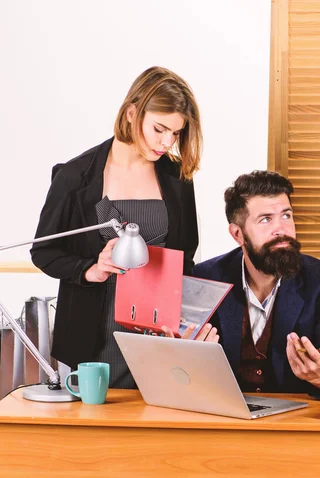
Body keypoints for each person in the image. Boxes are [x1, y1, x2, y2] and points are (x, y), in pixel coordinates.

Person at [31, 66, 202, 389]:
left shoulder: (178, 179)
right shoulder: (75, 176)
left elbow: (186, 259)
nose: (167, 142)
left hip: (160, 339)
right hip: (89, 338)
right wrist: (89, 269)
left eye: (176, 133)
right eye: (159, 129)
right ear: (131, 113)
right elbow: (44, 252)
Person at [190, 170, 320, 400]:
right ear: (238, 234)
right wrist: (185, 355)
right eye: (265, 219)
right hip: (225, 420)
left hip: (294, 425)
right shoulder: (206, 276)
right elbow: (184, 373)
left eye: (286, 215)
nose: (281, 229)